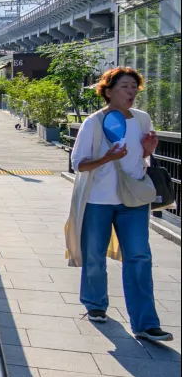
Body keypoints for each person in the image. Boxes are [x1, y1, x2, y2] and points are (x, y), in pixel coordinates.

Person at [66, 67, 171, 342]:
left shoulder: (142, 119)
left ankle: (146, 323)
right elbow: (78, 163)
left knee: (139, 257)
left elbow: (143, 160)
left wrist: (148, 149)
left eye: (135, 87)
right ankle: (95, 304)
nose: (132, 92)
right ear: (108, 91)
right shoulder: (94, 122)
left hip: (133, 200)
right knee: (94, 255)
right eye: (125, 87)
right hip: (98, 200)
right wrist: (106, 158)